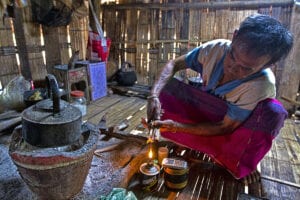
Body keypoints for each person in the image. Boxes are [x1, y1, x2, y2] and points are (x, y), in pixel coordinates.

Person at [145, 14, 293, 181]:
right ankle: (186, 140)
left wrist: (176, 126)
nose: (232, 68)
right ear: (235, 36)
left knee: (272, 112)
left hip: (232, 128)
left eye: (245, 68)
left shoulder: (261, 85)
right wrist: (153, 96)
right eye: (232, 56)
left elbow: (225, 127)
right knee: (168, 84)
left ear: (267, 65)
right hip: (207, 110)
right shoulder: (215, 49)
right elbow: (174, 64)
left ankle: (236, 158)